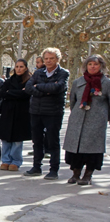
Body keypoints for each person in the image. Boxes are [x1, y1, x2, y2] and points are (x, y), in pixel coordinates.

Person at [64, 55, 110, 186]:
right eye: (90, 64)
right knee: (75, 148)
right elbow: (73, 101)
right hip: (78, 120)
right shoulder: (78, 82)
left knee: (92, 150)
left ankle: (87, 175)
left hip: (96, 121)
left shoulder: (106, 83)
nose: (92, 67)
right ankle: (75, 174)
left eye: (95, 64)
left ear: (101, 66)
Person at [25, 47, 69, 180]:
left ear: (58, 59)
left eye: (52, 58)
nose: (49, 61)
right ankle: (36, 166)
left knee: (53, 141)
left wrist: (38, 87)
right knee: (37, 140)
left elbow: (58, 87)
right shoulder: (38, 73)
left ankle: (54, 169)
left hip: (53, 112)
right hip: (36, 111)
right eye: (46, 58)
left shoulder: (63, 73)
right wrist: (45, 90)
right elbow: (28, 88)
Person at [0, 59, 32, 171]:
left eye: (21, 66)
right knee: (5, 138)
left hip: (21, 113)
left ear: (26, 68)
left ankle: (16, 161)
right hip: (8, 111)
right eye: (17, 66)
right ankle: (5, 160)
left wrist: (10, 93)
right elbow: (2, 93)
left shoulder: (29, 81)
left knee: (17, 139)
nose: (19, 69)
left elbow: (26, 94)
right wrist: (17, 93)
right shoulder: (9, 80)